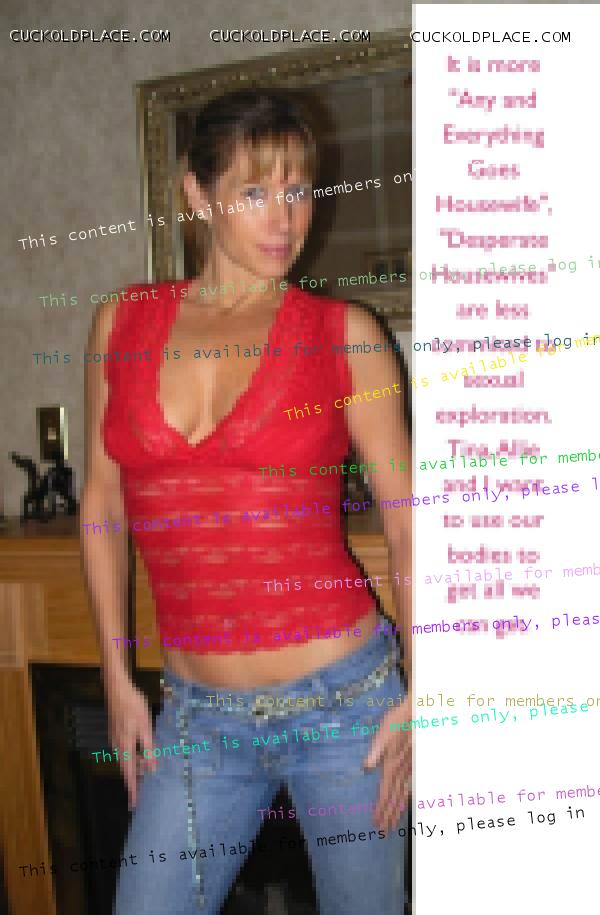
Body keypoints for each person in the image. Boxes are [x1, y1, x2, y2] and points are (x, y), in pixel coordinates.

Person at [80, 89, 413, 915]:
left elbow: (410, 525)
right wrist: (117, 677)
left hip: (346, 707)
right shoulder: (120, 323)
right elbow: (103, 503)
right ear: (197, 195)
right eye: (256, 190)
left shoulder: (347, 334)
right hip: (199, 718)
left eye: (299, 190)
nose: (284, 217)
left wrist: (426, 695)